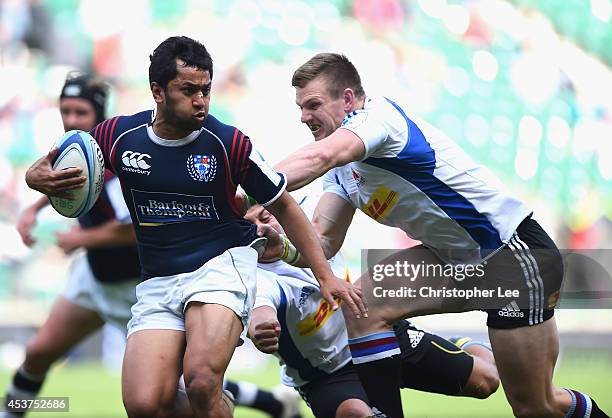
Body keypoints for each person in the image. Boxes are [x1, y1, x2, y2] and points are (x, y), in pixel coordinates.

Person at [24, 37, 365, 418]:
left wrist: (324, 276)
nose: (200, 100)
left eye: (205, 89)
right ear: (157, 91)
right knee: (145, 404)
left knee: (201, 381)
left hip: (220, 268)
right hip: (157, 280)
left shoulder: (229, 142)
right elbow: (62, 165)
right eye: (188, 90)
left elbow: (284, 204)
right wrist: (34, 177)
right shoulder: (118, 136)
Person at [270, 53, 609, 417]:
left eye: (313, 105)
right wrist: (283, 248)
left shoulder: (378, 120)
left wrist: (250, 184)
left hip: (512, 255)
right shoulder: (343, 170)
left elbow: (319, 157)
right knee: (363, 305)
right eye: (301, 108)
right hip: (453, 260)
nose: (304, 117)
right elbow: (323, 242)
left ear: (349, 99)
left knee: (537, 406)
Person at [246, 199, 499, 418]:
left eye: (265, 217)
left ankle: (457, 342)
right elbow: (260, 310)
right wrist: (261, 327)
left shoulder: (316, 235)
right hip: (328, 374)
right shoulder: (255, 279)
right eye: (248, 226)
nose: (261, 229)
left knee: (487, 382)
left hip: (382, 336)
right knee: (355, 414)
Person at [1, 73, 141, 418]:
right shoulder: (73, 150)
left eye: (81, 112)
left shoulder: (121, 160)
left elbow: (135, 230)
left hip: (138, 289)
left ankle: (267, 402)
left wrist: (82, 239)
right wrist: (32, 209)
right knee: (37, 354)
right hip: (94, 279)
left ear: (99, 114)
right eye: (66, 110)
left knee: (170, 389)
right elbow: (72, 185)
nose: (72, 120)